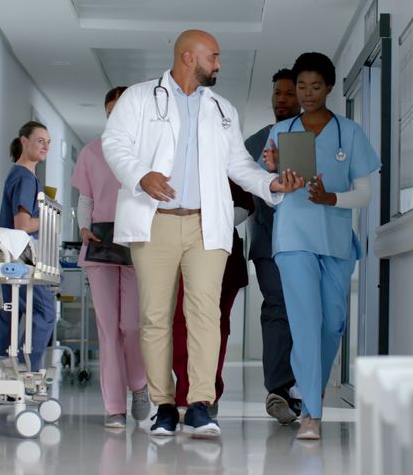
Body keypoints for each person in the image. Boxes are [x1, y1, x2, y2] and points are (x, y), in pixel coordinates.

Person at [101, 29, 305, 439]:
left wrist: (269, 185)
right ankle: (163, 405)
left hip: (205, 223)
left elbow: (238, 164)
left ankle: (198, 404)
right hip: (154, 220)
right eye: (214, 56)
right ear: (188, 57)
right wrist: (141, 176)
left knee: (205, 315)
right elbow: (114, 142)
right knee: (155, 316)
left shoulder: (222, 109)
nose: (219, 63)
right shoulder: (140, 98)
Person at [261, 52, 380, 440]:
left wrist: (333, 199)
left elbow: (363, 195)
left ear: (329, 88)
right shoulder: (281, 133)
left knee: (332, 323)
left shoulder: (350, 132)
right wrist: (270, 169)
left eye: (315, 87)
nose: (307, 94)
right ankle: (311, 412)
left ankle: (305, 386)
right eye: (301, 87)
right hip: (293, 236)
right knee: (305, 322)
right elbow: (269, 189)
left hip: (335, 238)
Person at [71, 87, 151, 429]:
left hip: (136, 241)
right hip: (101, 242)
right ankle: (114, 407)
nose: (114, 116)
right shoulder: (91, 151)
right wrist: (83, 228)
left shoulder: (147, 151)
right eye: (109, 111)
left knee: (131, 325)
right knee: (107, 329)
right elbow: (85, 199)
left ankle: (139, 384)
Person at [243, 68, 303, 424]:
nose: (282, 100)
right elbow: (246, 192)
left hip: (309, 240)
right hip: (269, 241)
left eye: (288, 94)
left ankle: (301, 385)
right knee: (278, 307)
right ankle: (278, 390)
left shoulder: (316, 136)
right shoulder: (254, 143)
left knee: (307, 311)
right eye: (277, 94)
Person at [171, 179, 254, 416]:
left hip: (223, 255)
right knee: (180, 323)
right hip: (180, 252)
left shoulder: (228, 164)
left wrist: (212, 221)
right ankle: (186, 390)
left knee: (215, 326)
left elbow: (244, 207)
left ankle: (207, 392)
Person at [0, 121, 59, 371]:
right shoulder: (26, 178)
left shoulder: (16, 174)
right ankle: (22, 369)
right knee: (46, 313)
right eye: (40, 141)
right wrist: (50, 219)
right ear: (23, 141)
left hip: (7, 258)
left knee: (7, 317)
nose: (46, 146)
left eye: (48, 142)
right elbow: (22, 225)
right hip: (19, 260)